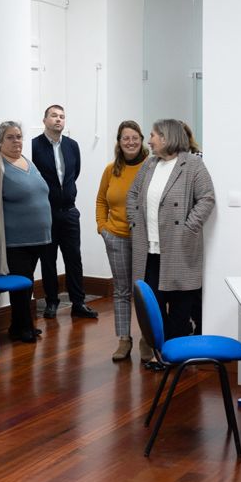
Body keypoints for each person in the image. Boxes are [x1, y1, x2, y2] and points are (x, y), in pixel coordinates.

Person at [126, 118, 216, 355]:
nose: (149, 140)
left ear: (166, 138)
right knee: (152, 307)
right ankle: (164, 352)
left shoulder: (193, 164)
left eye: (153, 135)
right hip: (148, 251)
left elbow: (207, 198)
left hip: (178, 248)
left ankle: (177, 357)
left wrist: (189, 227)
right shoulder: (149, 164)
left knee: (180, 306)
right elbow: (133, 194)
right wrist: (134, 221)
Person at [0, 121, 50, 344]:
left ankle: (18, 326)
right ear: (0, 141)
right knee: (21, 284)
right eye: (10, 137)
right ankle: (24, 327)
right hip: (15, 240)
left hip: (38, 238)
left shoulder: (28, 161)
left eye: (19, 136)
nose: (16, 141)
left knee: (27, 283)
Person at [30, 103, 98, 320]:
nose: (58, 119)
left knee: (74, 258)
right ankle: (51, 301)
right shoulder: (34, 146)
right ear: (44, 121)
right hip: (46, 212)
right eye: (53, 115)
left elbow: (74, 173)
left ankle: (78, 302)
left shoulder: (72, 145)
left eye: (62, 116)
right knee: (48, 259)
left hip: (69, 211)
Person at [94, 120, 148, 362]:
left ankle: (148, 340)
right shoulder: (110, 170)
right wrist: (102, 227)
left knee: (144, 291)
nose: (130, 142)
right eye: (125, 138)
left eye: (135, 137)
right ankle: (124, 339)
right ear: (119, 142)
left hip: (144, 239)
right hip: (115, 236)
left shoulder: (150, 167)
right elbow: (101, 200)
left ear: (142, 140)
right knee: (122, 290)